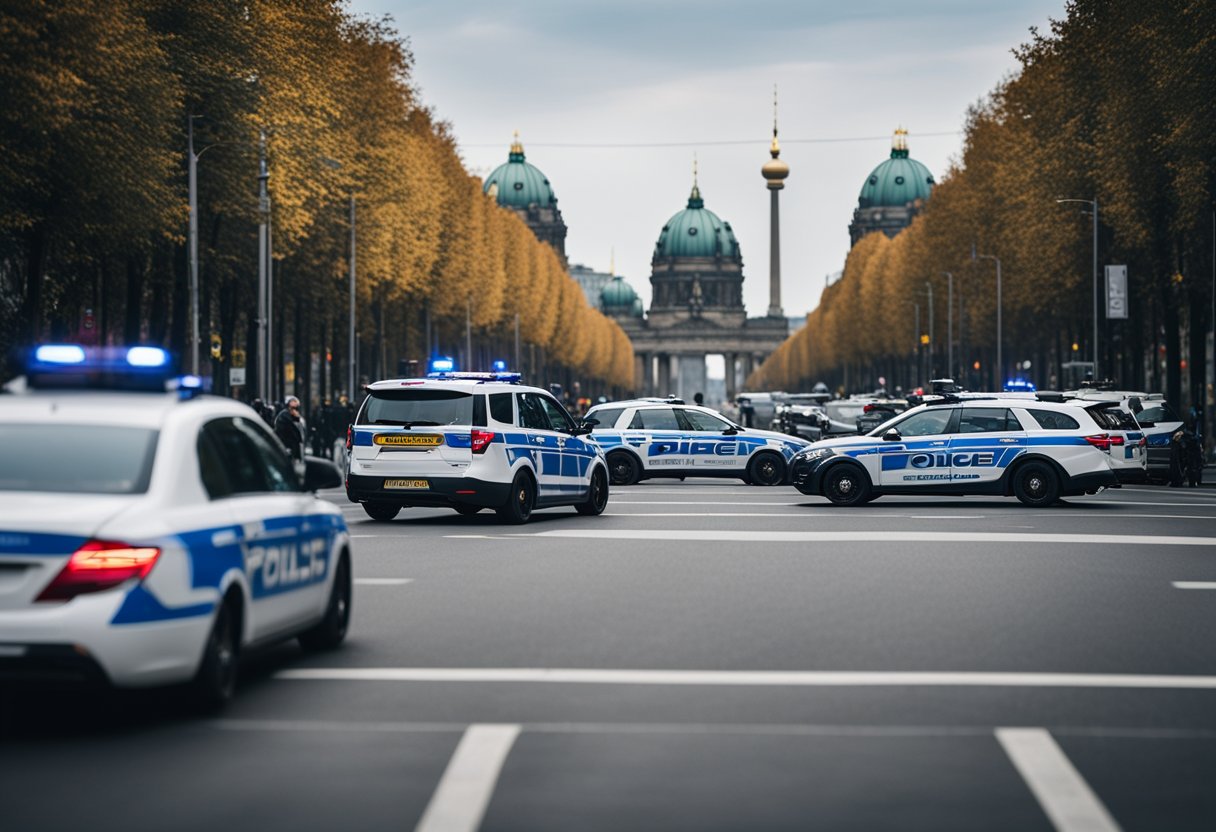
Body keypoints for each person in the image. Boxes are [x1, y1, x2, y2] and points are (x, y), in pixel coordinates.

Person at [274, 395, 305, 463]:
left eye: (296, 408)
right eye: (292, 408)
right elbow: (282, 432)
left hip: (292, 446)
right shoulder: (284, 416)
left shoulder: (294, 417)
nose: (294, 410)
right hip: (287, 445)